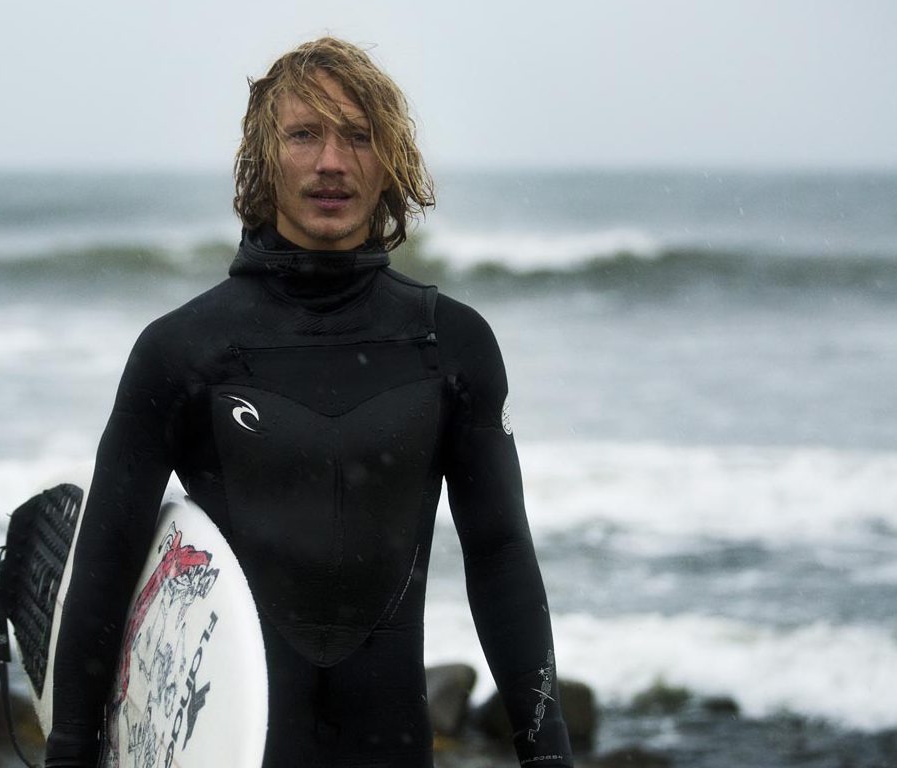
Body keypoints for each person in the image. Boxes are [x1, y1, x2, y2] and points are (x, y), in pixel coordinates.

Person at [46, 37, 573, 768]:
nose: (332, 161)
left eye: (358, 136)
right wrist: (69, 751)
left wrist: (548, 755)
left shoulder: (451, 344)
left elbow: (500, 554)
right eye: (304, 135)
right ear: (264, 158)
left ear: (389, 160)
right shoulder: (182, 349)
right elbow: (107, 564)